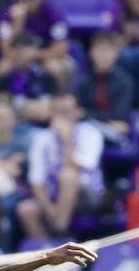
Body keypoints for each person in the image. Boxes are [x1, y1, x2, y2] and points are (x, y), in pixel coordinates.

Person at [18, 93, 105, 238]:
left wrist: (67, 140)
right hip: (54, 196)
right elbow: (36, 181)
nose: (62, 116)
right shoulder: (43, 138)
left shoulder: (91, 133)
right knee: (25, 209)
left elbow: (78, 168)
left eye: (66, 111)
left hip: (87, 195)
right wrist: (48, 209)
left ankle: (60, 232)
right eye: (58, 112)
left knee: (68, 175)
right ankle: (44, 254)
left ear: (79, 112)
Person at [0, 0, 72, 96]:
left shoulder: (53, 12)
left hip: (46, 56)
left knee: (55, 68)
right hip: (17, 56)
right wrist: (17, 25)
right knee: (2, 68)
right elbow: (5, 49)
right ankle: (1, 106)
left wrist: (35, 54)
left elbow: (61, 48)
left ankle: (60, 105)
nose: (23, 3)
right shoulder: (7, 14)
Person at [74, 31, 135, 135]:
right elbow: (76, 111)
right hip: (86, 128)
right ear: (90, 53)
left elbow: (118, 115)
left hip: (111, 131)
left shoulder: (125, 82)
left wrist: (86, 114)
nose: (102, 55)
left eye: (107, 51)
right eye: (99, 50)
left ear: (116, 54)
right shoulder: (83, 81)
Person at [0, 34, 58, 124]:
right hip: (13, 130)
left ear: (33, 50)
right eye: (16, 48)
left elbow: (47, 111)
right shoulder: (3, 79)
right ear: (10, 52)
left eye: (25, 47)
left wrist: (19, 107)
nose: (20, 52)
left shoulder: (46, 77)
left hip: (42, 131)